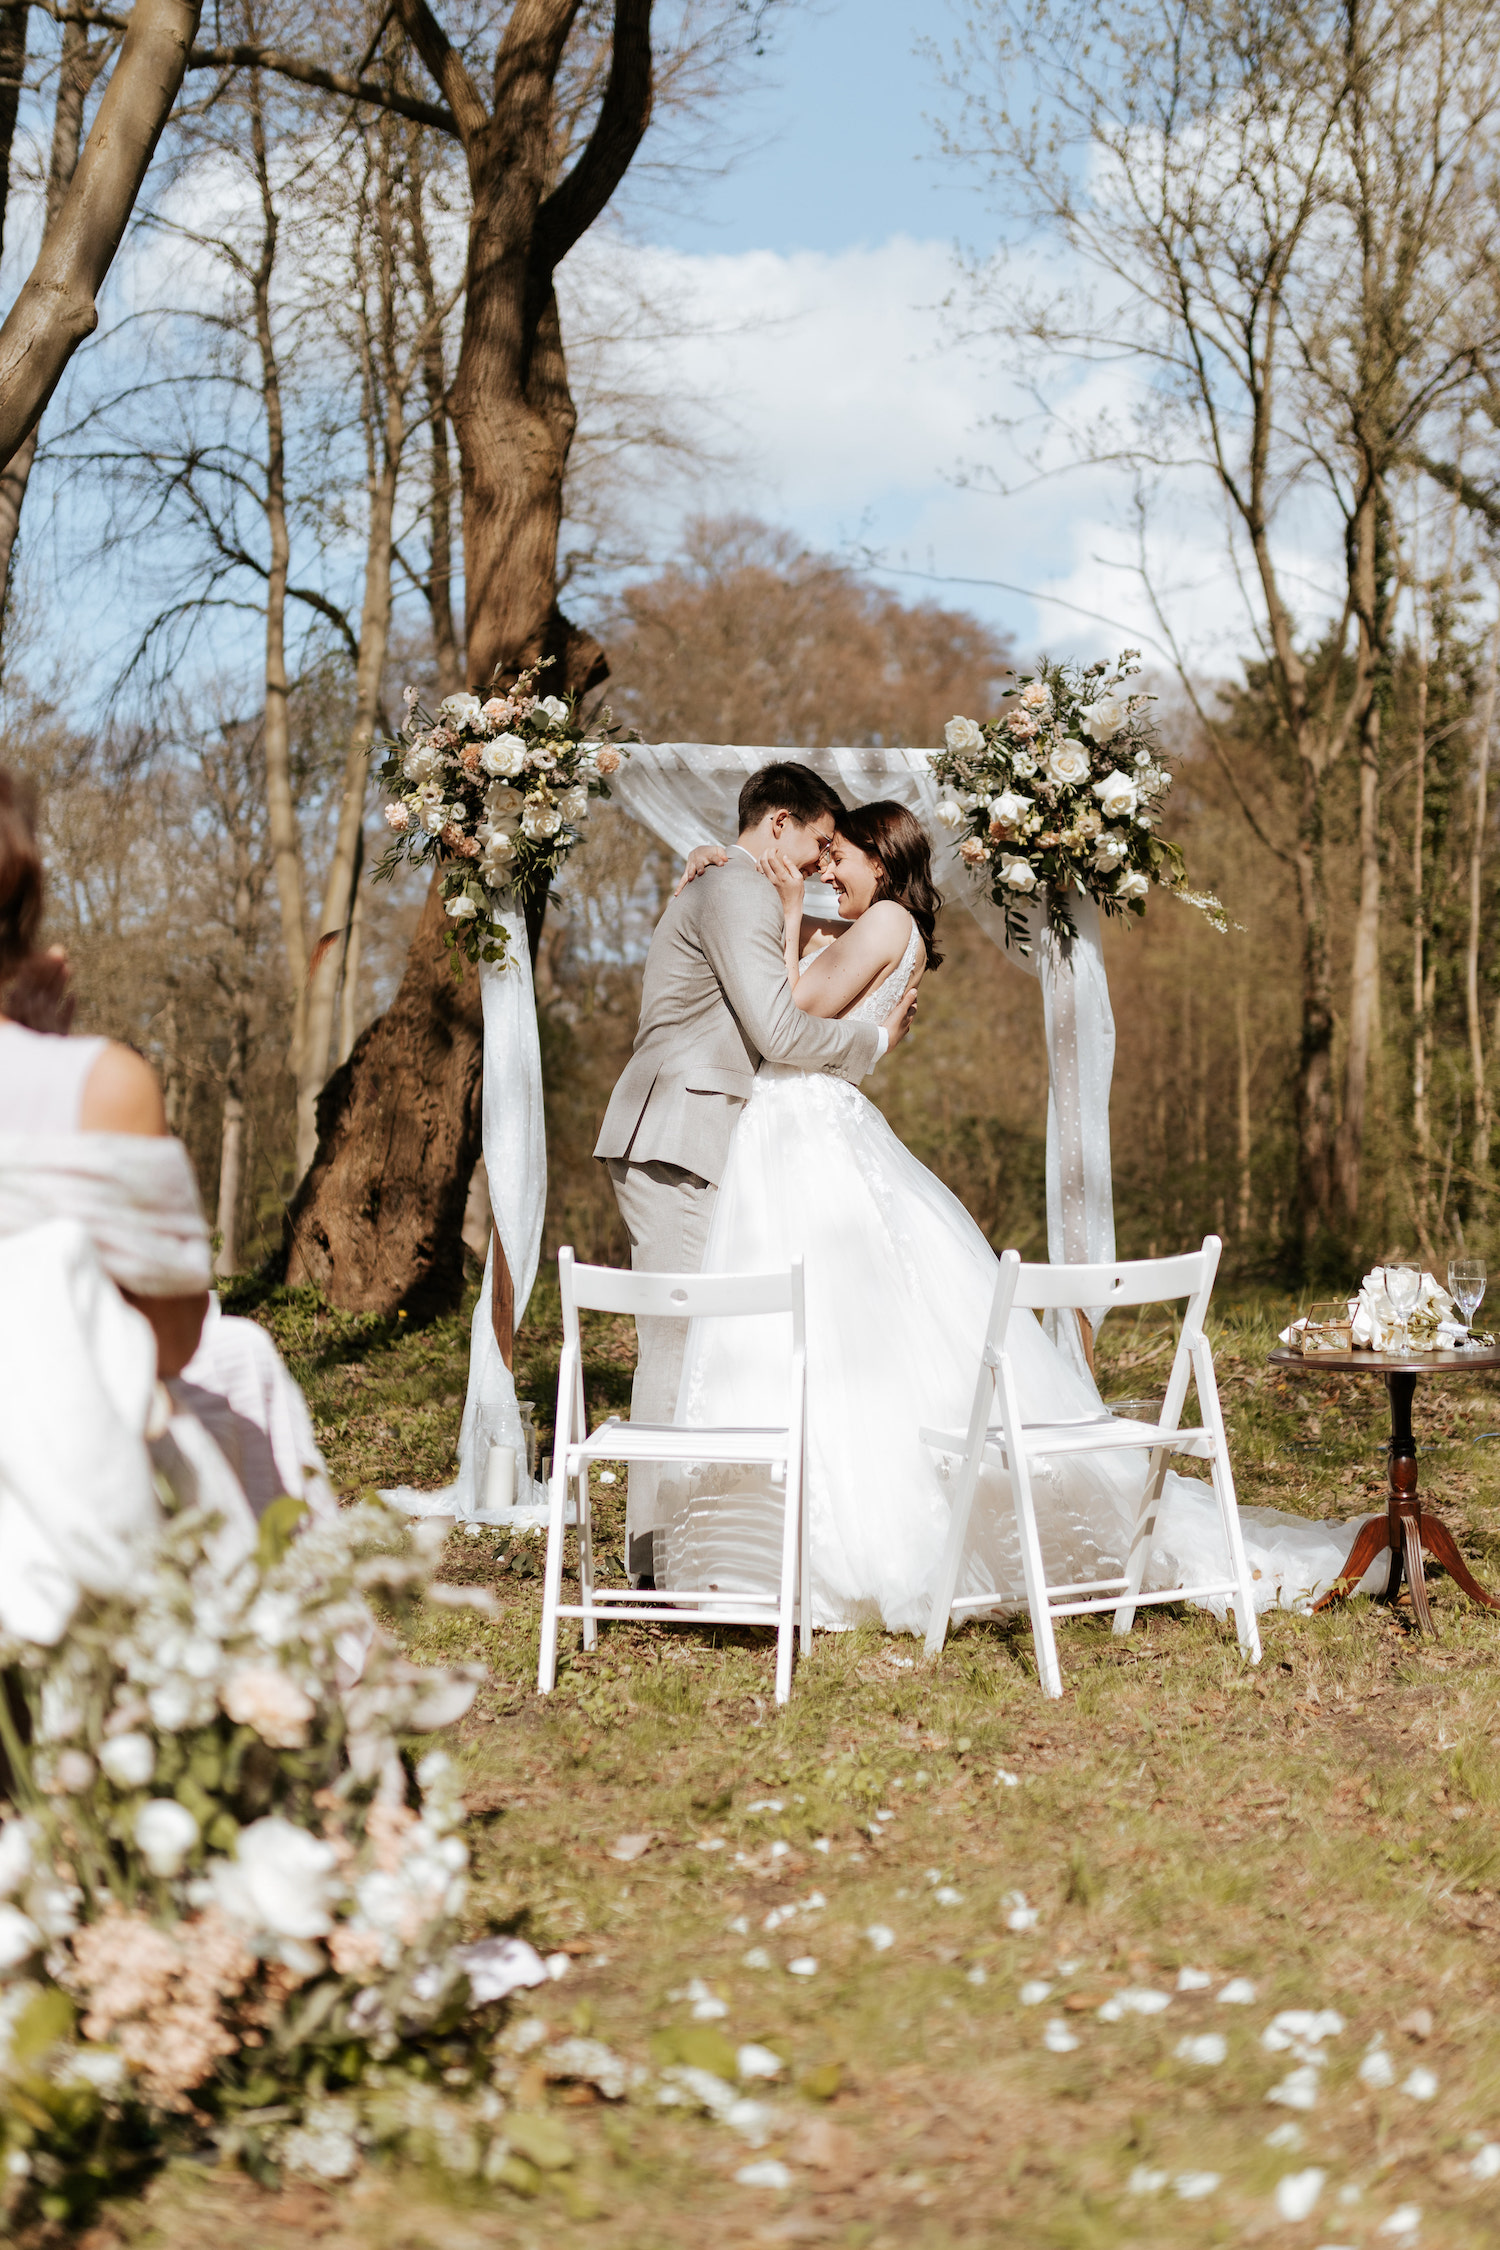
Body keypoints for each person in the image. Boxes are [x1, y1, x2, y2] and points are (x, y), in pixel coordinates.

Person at [661, 802, 1380, 1633]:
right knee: (839, 1340)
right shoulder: (881, 922)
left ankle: (843, 1558)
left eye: (839, 857)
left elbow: (791, 1008)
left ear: (881, 859)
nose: (825, 871)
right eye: (820, 860)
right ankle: (784, 1555)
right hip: (803, 1131)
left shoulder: (888, 918)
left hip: (808, 1132)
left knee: (842, 1335)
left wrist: (786, 916)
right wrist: (727, 867)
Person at [594, 762, 920, 1580]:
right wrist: (874, 1046)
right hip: (677, 1133)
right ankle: (650, 1566)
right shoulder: (733, 888)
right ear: (779, 822)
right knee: (674, 1343)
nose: (819, 861)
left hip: (700, 1134)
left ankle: (683, 1552)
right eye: (818, 839)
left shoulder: (732, 884)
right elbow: (779, 1028)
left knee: (702, 1342)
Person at [0, 766, 334, 1525]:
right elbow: (171, 1341)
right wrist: (52, 1056)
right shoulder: (106, 1085)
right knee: (236, 1365)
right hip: (57, 1497)